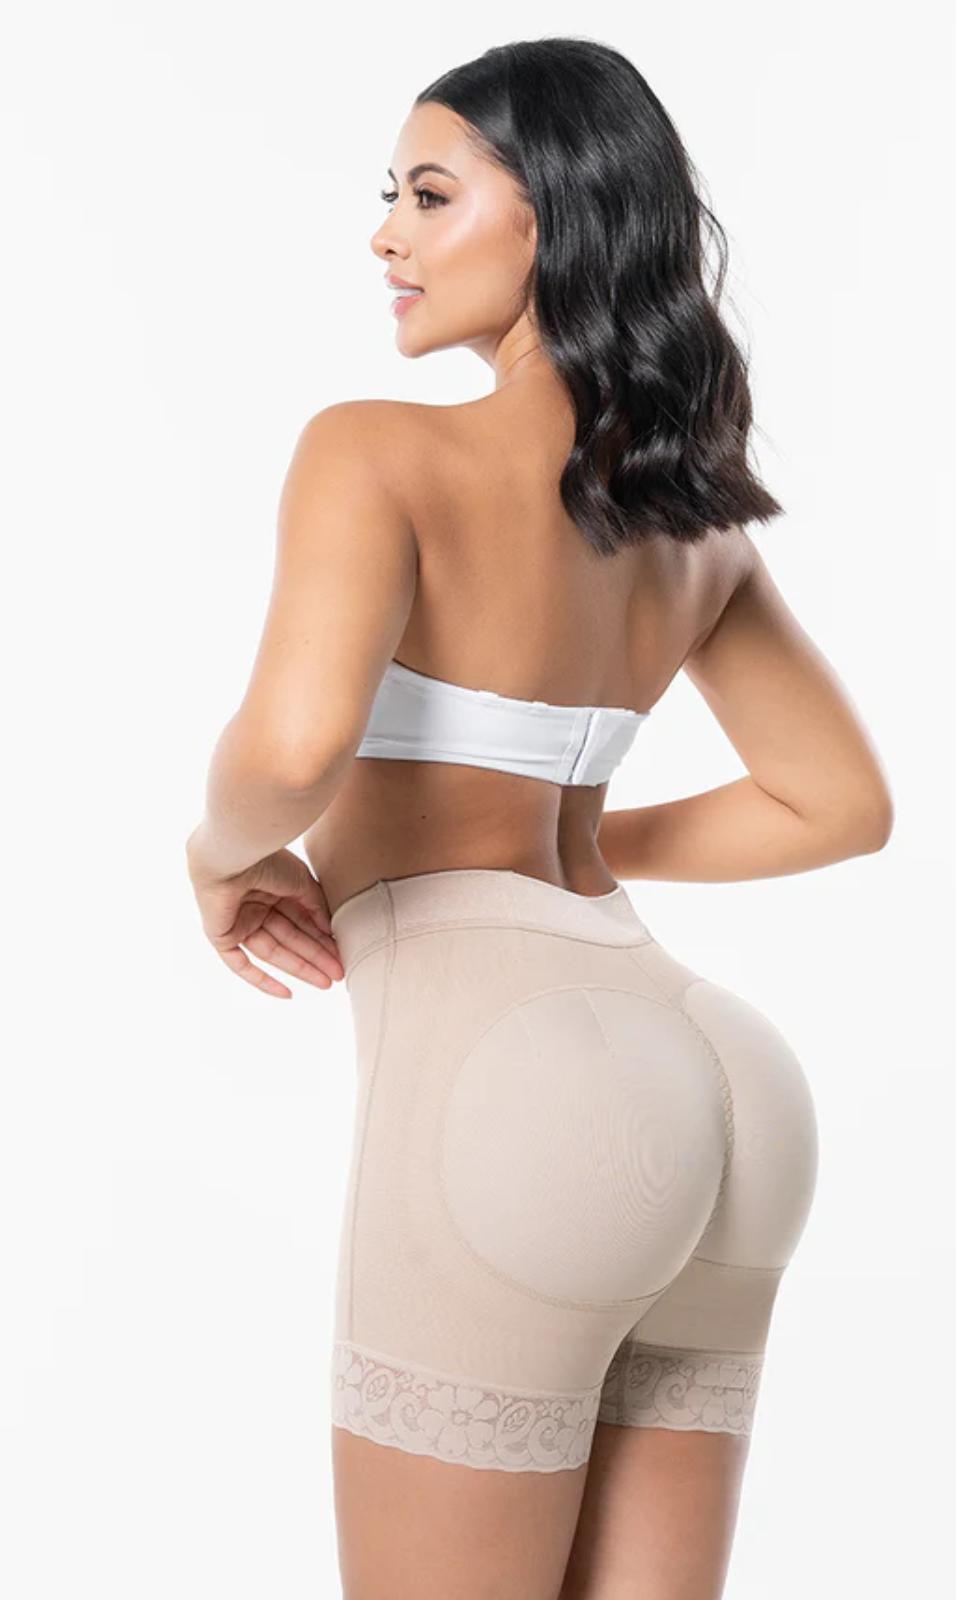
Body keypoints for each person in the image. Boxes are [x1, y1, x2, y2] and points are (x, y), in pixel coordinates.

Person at [185, 36, 893, 1600]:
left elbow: (291, 750)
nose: (385, 235)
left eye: (428, 195)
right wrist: (565, 844)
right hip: (717, 1079)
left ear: (556, 214)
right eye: (390, 197)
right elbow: (837, 803)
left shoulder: (376, 451)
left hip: (514, 1095)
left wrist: (218, 856)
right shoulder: (689, 514)